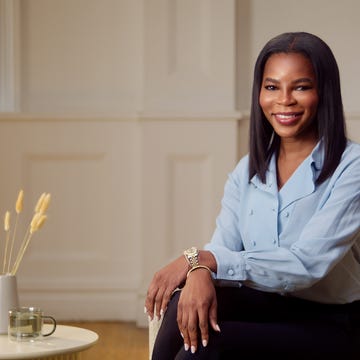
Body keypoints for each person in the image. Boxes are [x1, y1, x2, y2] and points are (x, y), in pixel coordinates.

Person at [145, 31, 360, 359]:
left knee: (205, 348)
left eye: (301, 87)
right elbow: (222, 246)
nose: (284, 100)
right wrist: (200, 270)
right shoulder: (248, 170)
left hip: (333, 322)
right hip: (269, 305)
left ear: (324, 92)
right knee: (181, 308)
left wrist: (204, 260)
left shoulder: (352, 167)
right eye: (272, 87)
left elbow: (307, 263)